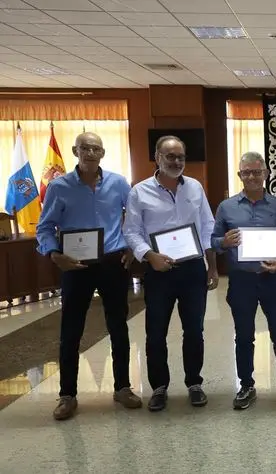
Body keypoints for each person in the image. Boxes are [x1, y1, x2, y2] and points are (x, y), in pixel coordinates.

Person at [36, 132, 141, 420]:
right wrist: (54, 254)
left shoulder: (118, 183)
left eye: (96, 148)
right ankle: (67, 395)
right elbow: (44, 227)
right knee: (71, 330)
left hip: (112, 262)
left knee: (118, 327)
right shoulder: (59, 187)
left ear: (103, 153)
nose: (90, 152)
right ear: (75, 151)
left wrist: (132, 247)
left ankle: (122, 388)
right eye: (85, 148)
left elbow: (133, 220)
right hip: (75, 265)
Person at [122, 135, 219, 412]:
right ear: (157, 157)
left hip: (191, 270)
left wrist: (211, 266)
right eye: (170, 156)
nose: (176, 162)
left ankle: (194, 383)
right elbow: (131, 231)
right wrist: (149, 256)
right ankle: (160, 387)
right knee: (155, 333)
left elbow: (207, 227)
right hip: (158, 270)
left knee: (194, 331)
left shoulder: (195, 188)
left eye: (180, 157)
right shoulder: (139, 192)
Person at [211, 152, 276, 410]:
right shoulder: (226, 207)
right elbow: (213, 241)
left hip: (272, 280)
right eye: (246, 172)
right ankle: (246, 385)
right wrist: (224, 242)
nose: (251, 176)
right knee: (243, 335)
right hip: (241, 281)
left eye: (256, 172)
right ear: (239, 175)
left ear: (266, 174)